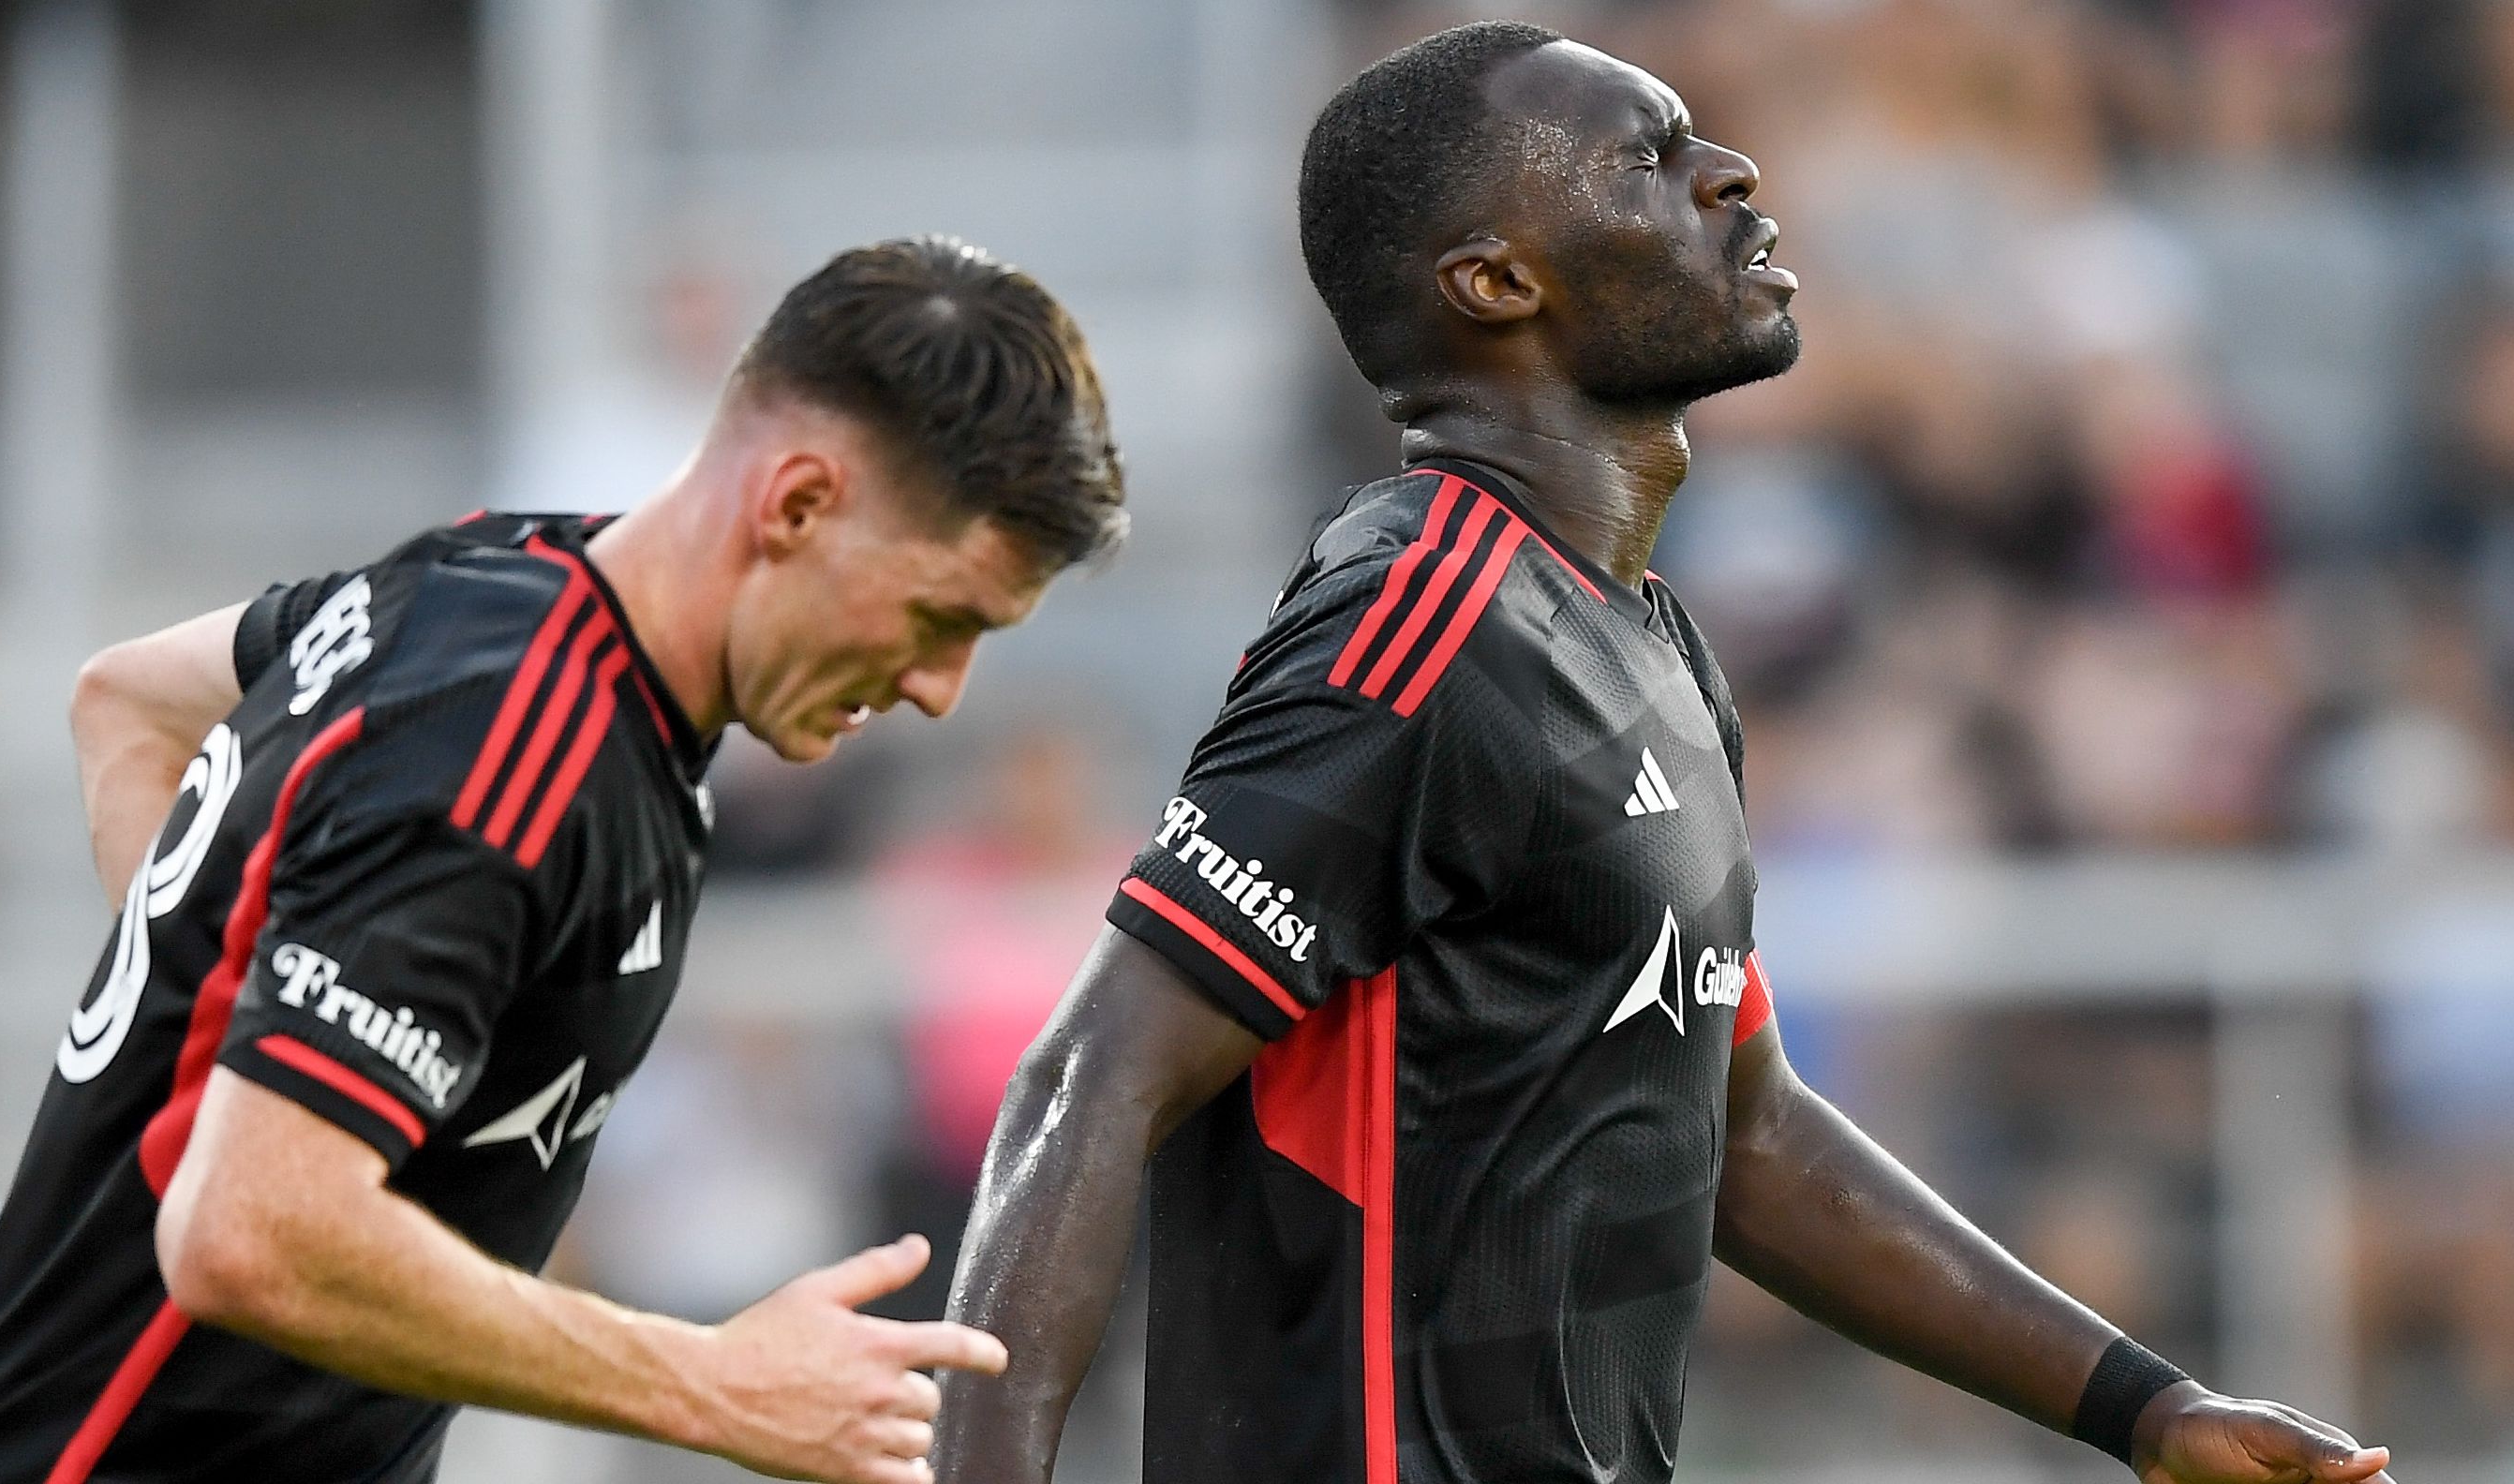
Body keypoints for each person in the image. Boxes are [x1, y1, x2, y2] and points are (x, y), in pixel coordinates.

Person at [930, 24, 2394, 1484]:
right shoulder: (1419, 620)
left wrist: (2144, 1410)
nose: (1734, 173)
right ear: (1496, 283)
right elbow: (1090, 1077)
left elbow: (1749, 1139)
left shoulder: (1652, 649)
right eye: (1650, 158)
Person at [0, 235, 1123, 1484]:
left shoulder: (492, 580)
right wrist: (713, 1384)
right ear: (795, 504)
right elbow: (249, 1232)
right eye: (939, 617)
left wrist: (219, 1022)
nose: (941, 692)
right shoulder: (507, 751)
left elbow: (129, 702)